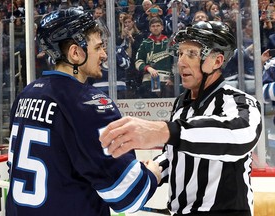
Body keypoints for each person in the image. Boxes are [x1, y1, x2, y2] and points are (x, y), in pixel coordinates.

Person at [6, 8, 161, 216]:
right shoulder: (89, 104)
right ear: (75, 53)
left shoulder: (26, 94)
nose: (104, 55)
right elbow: (129, 195)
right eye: (98, 48)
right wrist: (153, 174)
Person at [100, 21, 262, 216]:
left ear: (217, 61)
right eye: (180, 53)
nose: (181, 62)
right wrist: (157, 169)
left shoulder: (238, 101)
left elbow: (242, 135)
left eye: (192, 54)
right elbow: (173, 153)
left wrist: (162, 131)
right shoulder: (180, 104)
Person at [135, 16, 174, 98]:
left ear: (162, 27)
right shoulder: (145, 43)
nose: (155, 28)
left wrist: (173, 79)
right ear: (150, 28)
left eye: (158, 26)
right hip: (148, 81)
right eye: (153, 26)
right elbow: (138, 61)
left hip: (166, 81)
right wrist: (148, 68)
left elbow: (175, 62)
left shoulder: (170, 43)